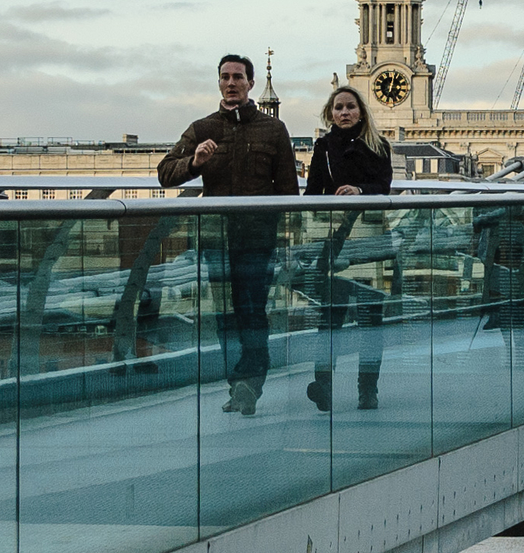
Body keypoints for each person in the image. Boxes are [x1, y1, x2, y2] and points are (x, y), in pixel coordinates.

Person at [156, 54, 299, 416]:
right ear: (218, 83)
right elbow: (165, 174)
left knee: (251, 310)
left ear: (251, 84)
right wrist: (195, 163)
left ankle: (250, 380)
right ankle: (238, 384)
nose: (231, 83)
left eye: (238, 77)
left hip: (258, 239)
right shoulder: (203, 128)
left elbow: (288, 192)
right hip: (217, 239)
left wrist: (283, 240)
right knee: (224, 315)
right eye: (225, 77)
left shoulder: (273, 130)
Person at [304, 84, 394, 412]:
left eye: (350, 107)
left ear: (361, 112)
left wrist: (359, 190)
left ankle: (367, 390)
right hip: (335, 245)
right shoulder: (323, 148)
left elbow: (384, 188)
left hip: (370, 242)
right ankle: (323, 386)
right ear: (330, 113)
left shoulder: (378, 146)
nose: (344, 113)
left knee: (371, 321)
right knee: (329, 320)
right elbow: (312, 193)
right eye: (338, 107)